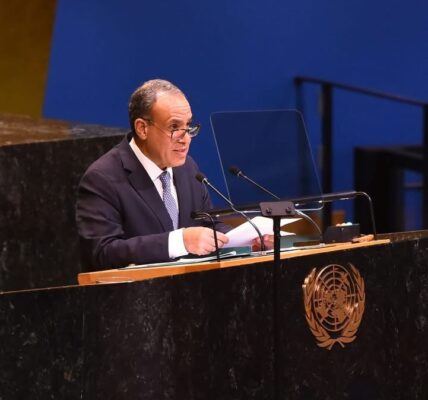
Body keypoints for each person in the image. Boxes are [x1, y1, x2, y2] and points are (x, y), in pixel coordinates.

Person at [76, 79, 230, 271]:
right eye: (174, 127)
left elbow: (209, 226)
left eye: (188, 126)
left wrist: (249, 239)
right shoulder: (103, 178)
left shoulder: (188, 168)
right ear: (142, 128)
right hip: (139, 290)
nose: (186, 139)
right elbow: (102, 253)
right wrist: (178, 242)